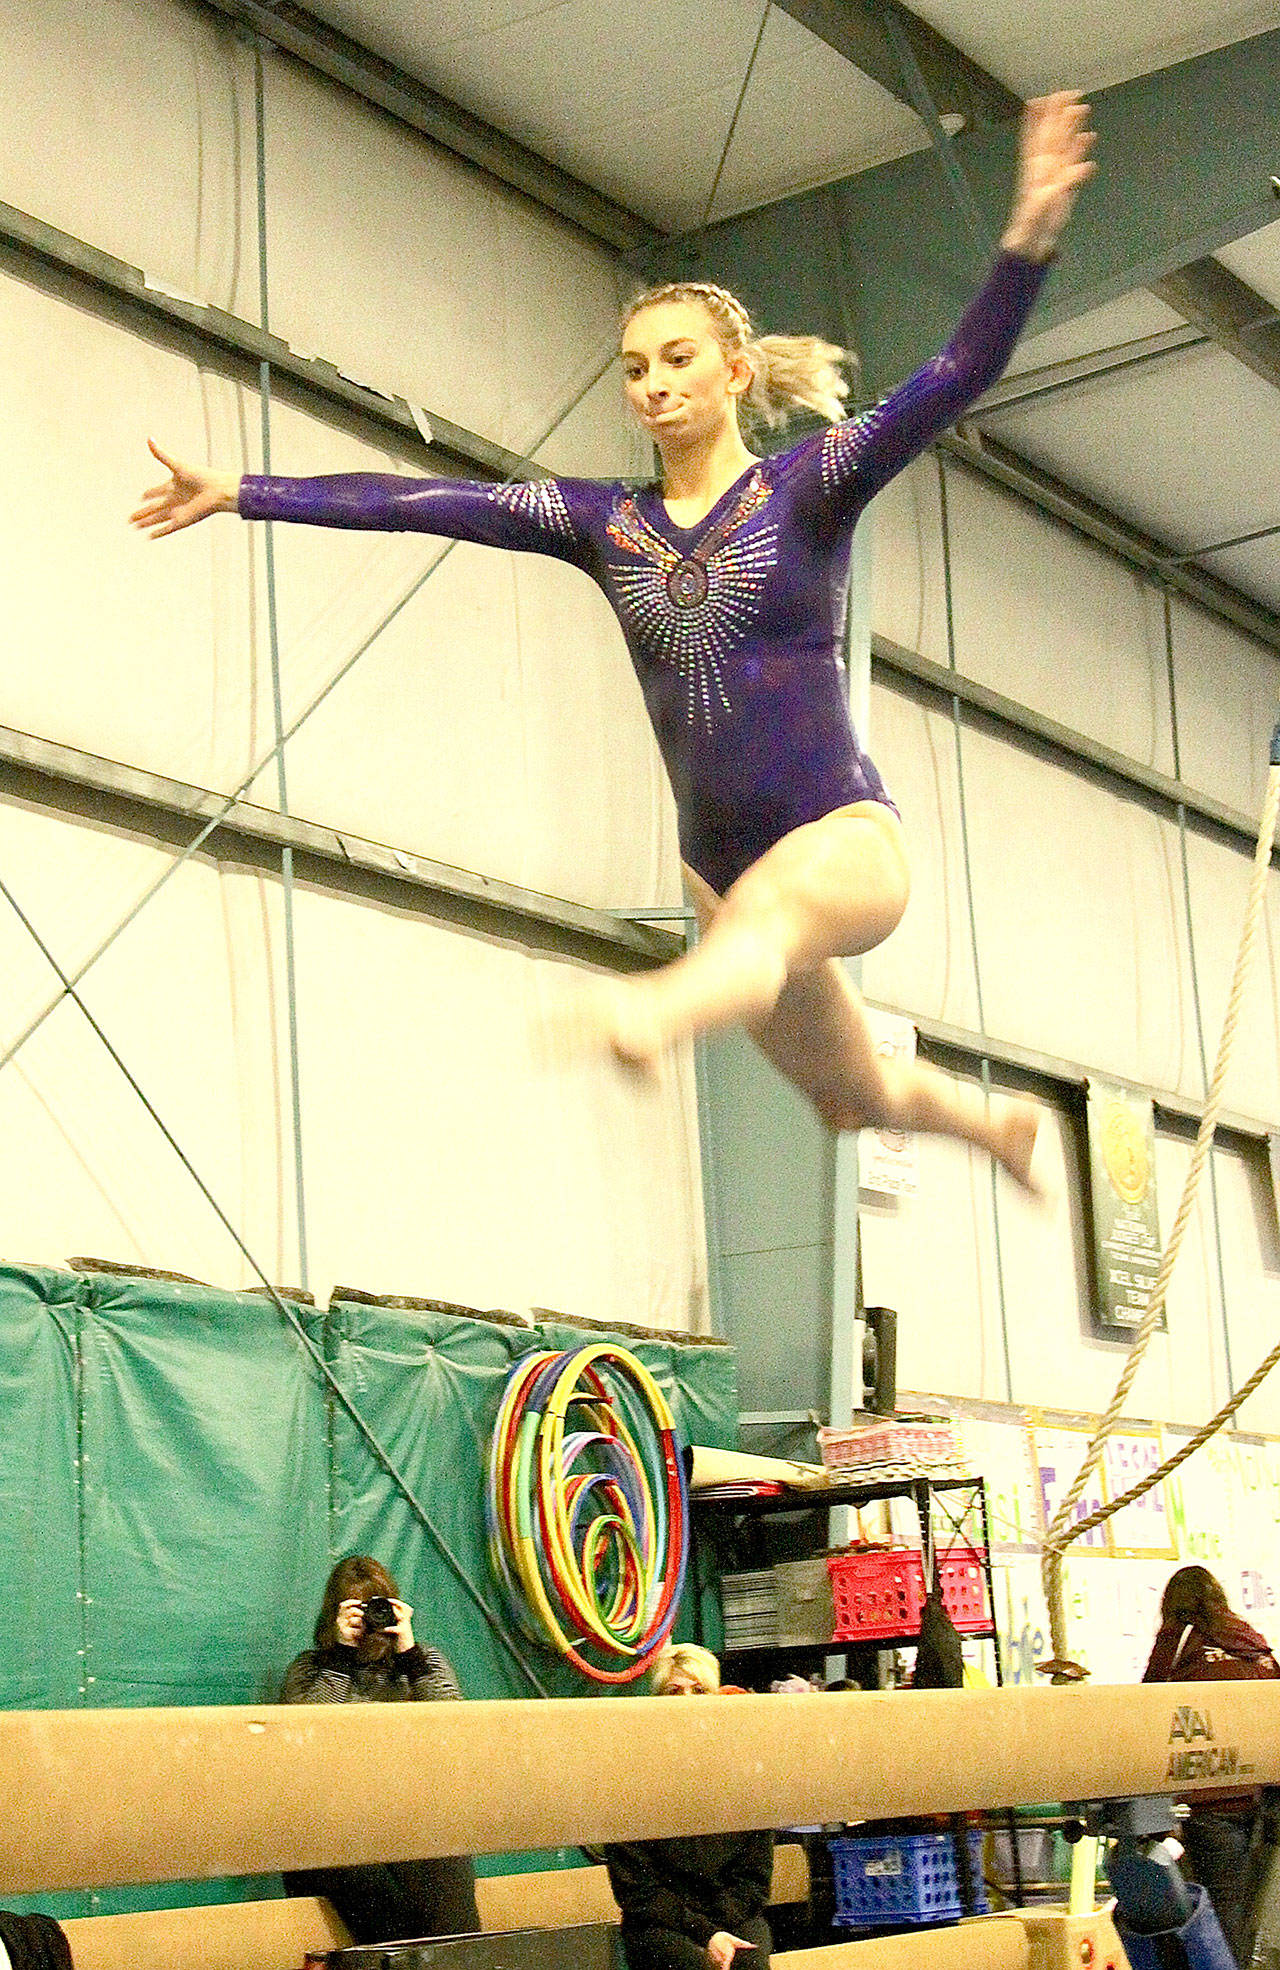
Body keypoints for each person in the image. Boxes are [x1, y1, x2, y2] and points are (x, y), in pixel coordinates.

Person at [131, 94, 1094, 1189]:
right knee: (846, 1098)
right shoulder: (605, 523)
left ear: (735, 372)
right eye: (636, 368)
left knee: (765, 922)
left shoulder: (809, 485)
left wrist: (1027, 238)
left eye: (677, 359)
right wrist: (241, 489)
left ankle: (657, 1011)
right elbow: (422, 503)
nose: (655, 384)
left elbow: (955, 375)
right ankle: (993, 1127)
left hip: (841, 840)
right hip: (719, 875)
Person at [279, 1555, 481, 1943]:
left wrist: (409, 1654)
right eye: (359, 1611)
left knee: (449, 1906)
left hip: (413, 1818)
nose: (370, 1622)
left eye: (377, 1608)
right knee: (394, 1921)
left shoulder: (422, 1662)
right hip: (335, 1827)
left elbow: (454, 1732)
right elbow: (307, 1736)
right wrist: (340, 1655)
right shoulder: (310, 1670)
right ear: (335, 1615)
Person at [1141, 1564, 1280, 1967]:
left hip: (1214, 1803)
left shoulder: (1179, 1641)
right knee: (1255, 1916)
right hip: (1266, 1798)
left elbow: (1146, 1710)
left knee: (1224, 1916)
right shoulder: (1250, 1641)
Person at [603, 1645, 774, 1969]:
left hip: (733, 1915)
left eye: (699, 1691)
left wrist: (719, 1929)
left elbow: (753, 1881)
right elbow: (637, 1891)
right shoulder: (632, 1779)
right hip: (661, 1923)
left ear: (715, 1697)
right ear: (657, 1703)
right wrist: (706, 1933)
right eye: (674, 1691)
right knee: (691, 1964)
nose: (687, 1701)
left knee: (748, 1962)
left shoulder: (744, 1777)